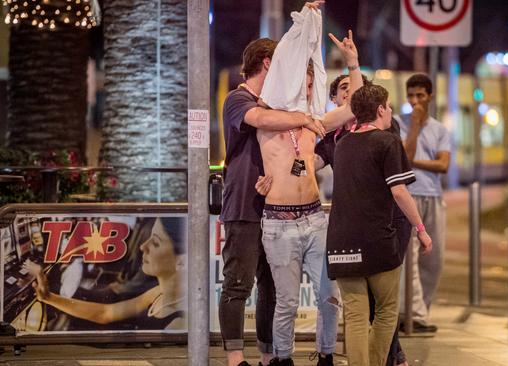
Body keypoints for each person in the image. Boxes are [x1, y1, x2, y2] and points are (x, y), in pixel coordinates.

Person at [255, 27, 362, 366]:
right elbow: (264, 114)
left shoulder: (313, 123)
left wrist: (353, 64)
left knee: (329, 296)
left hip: (315, 218)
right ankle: (283, 359)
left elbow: (352, 109)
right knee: (286, 302)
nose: (308, 91)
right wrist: (301, 25)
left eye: (312, 85)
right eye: (304, 84)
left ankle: (326, 355)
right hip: (279, 223)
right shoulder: (266, 119)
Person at [220, 30, 327, 366]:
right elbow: (260, 120)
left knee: (272, 288)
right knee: (239, 282)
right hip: (244, 207)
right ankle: (235, 358)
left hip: (276, 211)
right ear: (269, 63)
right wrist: (303, 118)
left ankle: (269, 355)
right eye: (285, 66)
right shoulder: (239, 99)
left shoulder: (279, 104)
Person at [327, 84, 432, 366]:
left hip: (340, 243)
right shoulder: (387, 141)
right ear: (380, 110)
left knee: (356, 316)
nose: (390, 112)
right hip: (376, 242)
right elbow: (399, 192)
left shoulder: (342, 144)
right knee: (386, 311)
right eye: (388, 106)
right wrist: (421, 229)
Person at [314, 74, 411, 366]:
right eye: (344, 89)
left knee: (363, 312)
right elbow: (400, 190)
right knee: (383, 308)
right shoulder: (341, 140)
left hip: (360, 232)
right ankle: (388, 358)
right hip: (373, 234)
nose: (349, 94)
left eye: (353, 90)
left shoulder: (348, 141)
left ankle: (393, 355)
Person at [24, 217, 187, 330]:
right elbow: (105, 314)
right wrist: (49, 298)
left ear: (182, 261)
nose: (143, 246)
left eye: (156, 243)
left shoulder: (179, 322)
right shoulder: (158, 293)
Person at [394, 74, 451, 332]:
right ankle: (412, 315)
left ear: (430, 96)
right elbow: (404, 158)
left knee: (434, 260)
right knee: (410, 257)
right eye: (411, 96)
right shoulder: (399, 124)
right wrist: (414, 127)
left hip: (434, 197)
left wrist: (413, 163)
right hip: (409, 196)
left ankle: (420, 311)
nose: (415, 101)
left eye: (420, 96)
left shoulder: (440, 130)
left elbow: (443, 164)